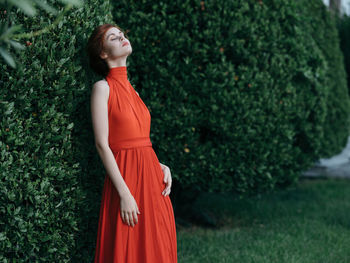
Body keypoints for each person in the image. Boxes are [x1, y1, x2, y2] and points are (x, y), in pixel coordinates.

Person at [86, 23, 178, 263]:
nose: (122, 38)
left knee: (156, 248)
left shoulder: (134, 91)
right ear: (103, 53)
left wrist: (160, 165)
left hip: (151, 180)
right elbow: (102, 144)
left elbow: (140, 140)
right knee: (128, 247)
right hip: (126, 181)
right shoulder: (102, 88)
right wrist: (125, 193)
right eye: (114, 37)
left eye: (122, 34)